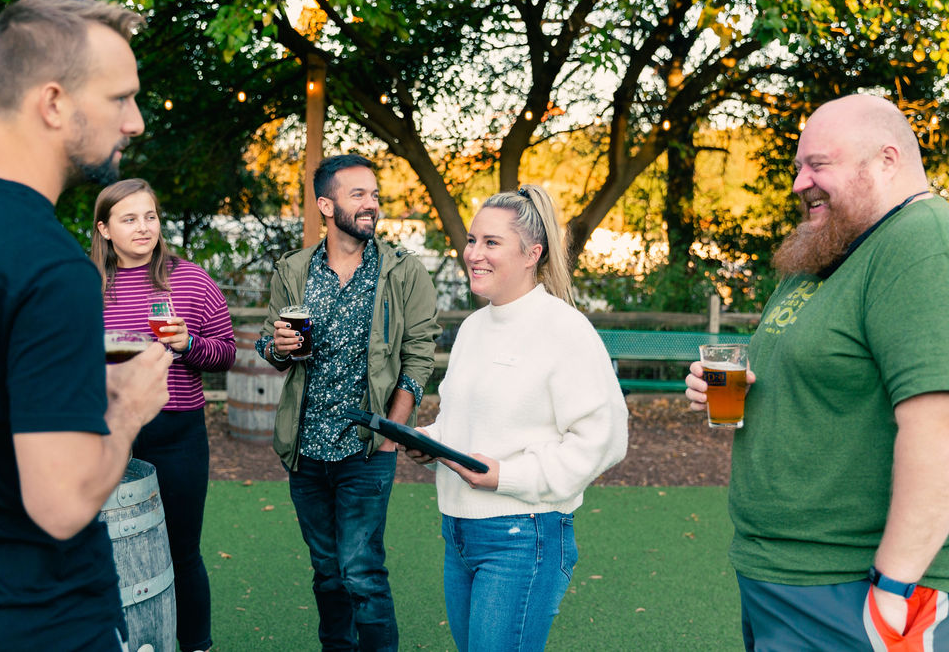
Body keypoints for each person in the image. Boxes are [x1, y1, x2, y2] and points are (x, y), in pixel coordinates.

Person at [0, 0, 172, 651]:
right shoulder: (52, 269)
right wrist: (128, 407)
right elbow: (60, 504)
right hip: (40, 621)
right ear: (55, 101)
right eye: (120, 98)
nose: (136, 122)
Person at [685, 93, 949, 650]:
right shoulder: (824, 254)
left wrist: (894, 584)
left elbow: (939, 427)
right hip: (777, 573)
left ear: (886, 160)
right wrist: (727, 390)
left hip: (854, 586)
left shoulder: (923, 239)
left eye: (818, 165)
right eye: (798, 167)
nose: (799, 183)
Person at [404, 185, 629, 651]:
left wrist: (505, 475)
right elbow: (460, 419)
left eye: (491, 243)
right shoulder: (472, 327)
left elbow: (604, 440)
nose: (474, 254)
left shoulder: (564, 329)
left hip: (523, 536)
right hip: (457, 531)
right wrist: (428, 439)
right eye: (472, 240)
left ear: (533, 254)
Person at [255, 153, 440, 651]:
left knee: (361, 574)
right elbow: (268, 347)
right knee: (327, 574)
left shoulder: (402, 271)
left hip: (366, 447)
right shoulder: (293, 270)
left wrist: (391, 435)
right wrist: (279, 348)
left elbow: (420, 357)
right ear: (325, 205)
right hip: (305, 448)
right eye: (358, 194)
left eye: (375, 194)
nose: (371, 204)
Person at [92, 177, 236, 652]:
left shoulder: (191, 278)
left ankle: (196, 644)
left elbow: (226, 353)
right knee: (98, 552)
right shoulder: (86, 284)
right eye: (129, 219)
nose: (143, 227)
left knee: (183, 550)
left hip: (177, 432)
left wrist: (189, 345)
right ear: (105, 229)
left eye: (150, 216)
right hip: (105, 433)